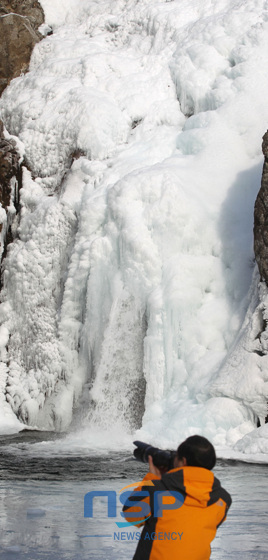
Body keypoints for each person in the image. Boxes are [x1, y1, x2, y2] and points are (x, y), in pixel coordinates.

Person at [122, 435, 232, 560]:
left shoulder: (158, 490)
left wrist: (152, 479)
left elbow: (130, 515)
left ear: (183, 461)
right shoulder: (222, 499)